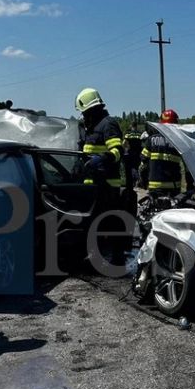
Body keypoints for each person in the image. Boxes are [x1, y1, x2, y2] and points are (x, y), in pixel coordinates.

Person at [75, 88, 131, 263]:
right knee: (92, 223)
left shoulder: (108, 124)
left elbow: (118, 151)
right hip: (91, 184)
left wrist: (103, 158)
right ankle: (93, 255)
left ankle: (117, 256)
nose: (83, 116)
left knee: (112, 221)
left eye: (84, 112)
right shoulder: (90, 128)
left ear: (91, 109)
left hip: (107, 184)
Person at [140, 109, 184, 198]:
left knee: (155, 211)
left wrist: (144, 181)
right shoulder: (179, 142)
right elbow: (188, 166)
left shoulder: (151, 140)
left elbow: (143, 162)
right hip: (174, 187)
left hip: (155, 186)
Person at [123, 121, 144, 190]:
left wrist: (123, 149)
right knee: (137, 167)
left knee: (132, 167)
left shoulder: (128, 133)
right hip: (139, 152)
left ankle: (137, 180)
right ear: (136, 126)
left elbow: (124, 143)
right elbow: (142, 142)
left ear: (131, 125)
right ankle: (137, 181)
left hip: (131, 152)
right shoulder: (140, 133)